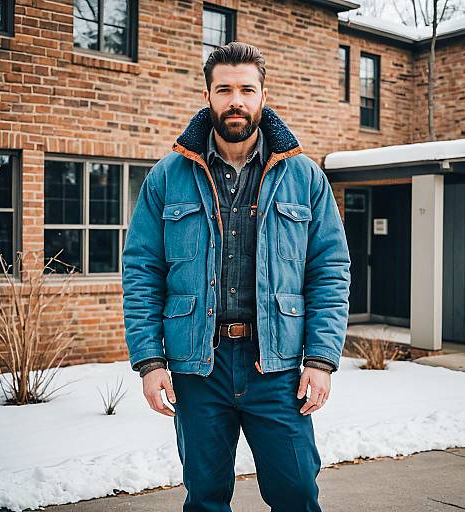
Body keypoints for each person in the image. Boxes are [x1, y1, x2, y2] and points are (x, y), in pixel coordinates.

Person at [122, 41, 351, 512]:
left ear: (263, 95)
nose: (236, 101)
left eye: (247, 89)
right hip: (196, 366)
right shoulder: (168, 176)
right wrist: (150, 362)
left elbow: (329, 272)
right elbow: (142, 272)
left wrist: (322, 359)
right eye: (224, 89)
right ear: (207, 96)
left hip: (278, 366)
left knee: (297, 493)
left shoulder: (304, 177)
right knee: (205, 497)